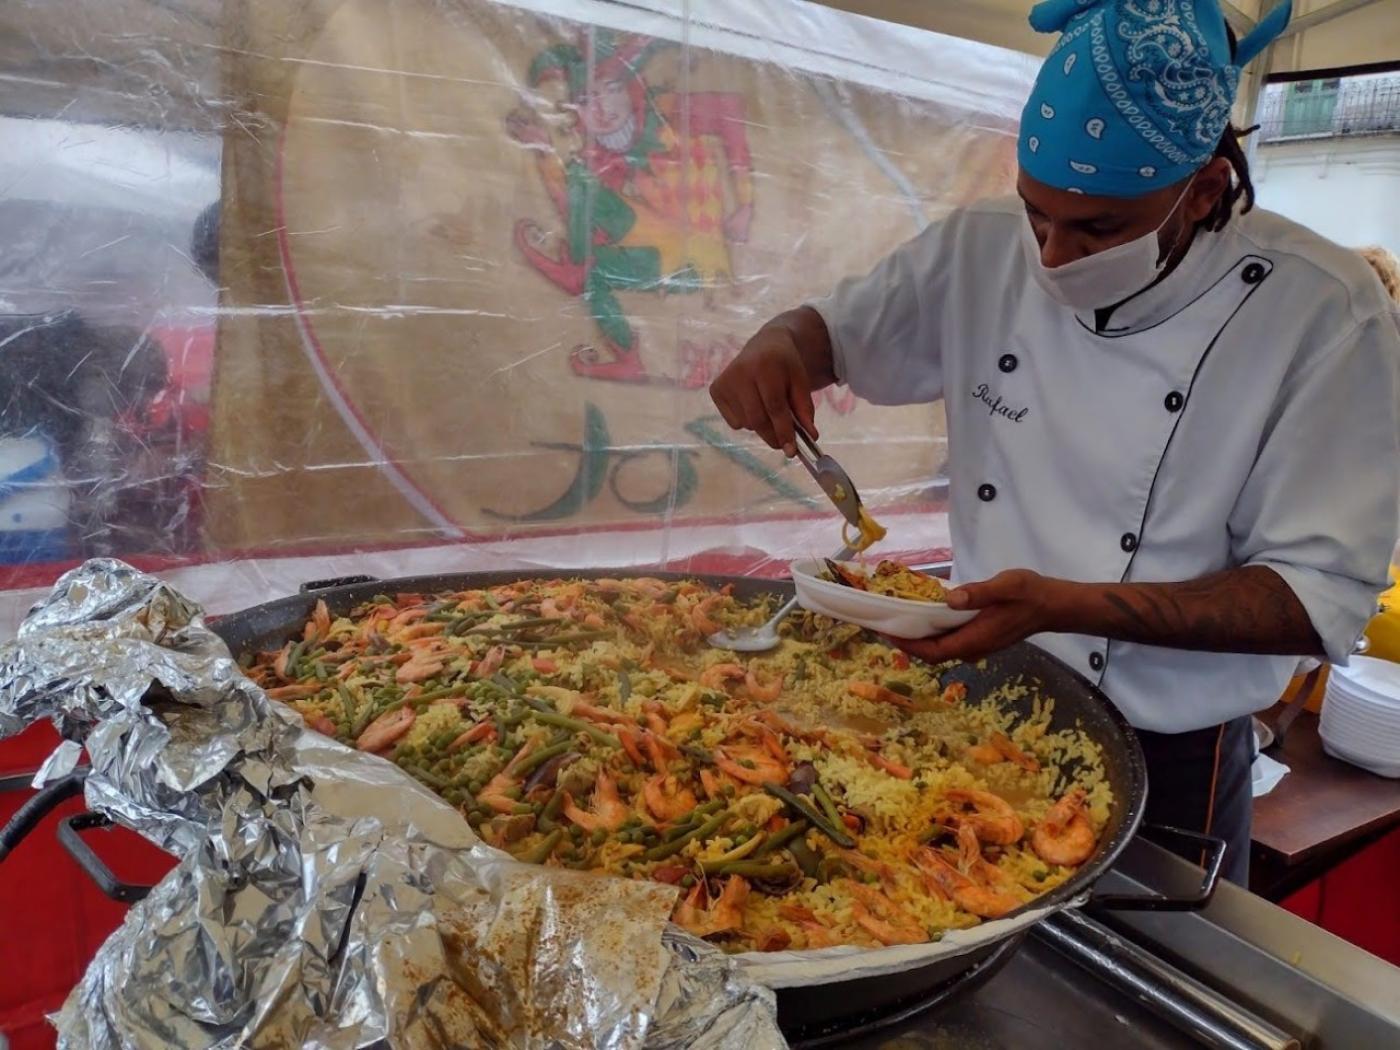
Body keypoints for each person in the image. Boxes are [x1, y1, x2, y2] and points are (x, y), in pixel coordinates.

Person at [710, 0, 1400, 885]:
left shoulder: (1326, 310)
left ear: (1202, 190)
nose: (1054, 258)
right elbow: (840, 333)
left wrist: (1060, 604)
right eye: (1038, 216)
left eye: (1098, 230)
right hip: (980, 695)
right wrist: (784, 343)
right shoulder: (985, 245)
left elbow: (1312, 599)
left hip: (1172, 752)